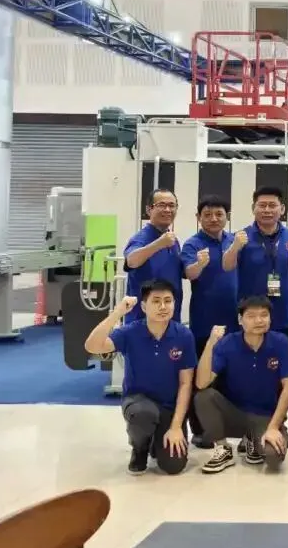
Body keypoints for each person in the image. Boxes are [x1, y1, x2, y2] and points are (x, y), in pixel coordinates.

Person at [84, 279, 194, 476]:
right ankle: (140, 448)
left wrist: (177, 426)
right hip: (139, 402)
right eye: (156, 301)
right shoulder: (131, 332)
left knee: (173, 466)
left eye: (168, 301)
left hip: (169, 407)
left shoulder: (183, 335)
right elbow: (92, 346)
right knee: (143, 415)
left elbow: (185, 383)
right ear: (144, 306)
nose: (163, 307)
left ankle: (156, 442)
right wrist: (117, 313)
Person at [193, 296, 288, 474]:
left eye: (264, 315)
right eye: (251, 316)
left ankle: (253, 439)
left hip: (265, 416)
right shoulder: (227, 343)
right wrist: (210, 343)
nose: (259, 320)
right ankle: (223, 448)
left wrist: (273, 427)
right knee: (203, 397)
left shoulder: (280, 342)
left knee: (273, 458)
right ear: (240, 320)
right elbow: (202, 383)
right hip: (235, 414)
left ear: (270, 318)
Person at [180, 196, 238, 448]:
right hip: (205, 323)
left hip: (234, 323)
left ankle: (227, 427)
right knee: (202, 379)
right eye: (207, 214)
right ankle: (201, 430)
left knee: (229, 378)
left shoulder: (234, 241)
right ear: (198, 217)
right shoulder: (192, 244)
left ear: (227, 217)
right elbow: (189, 273)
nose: (214, 219)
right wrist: (200, 264)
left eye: (219, 214)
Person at [223, 186, 288, 340]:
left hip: (284, 315)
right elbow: (227, 266)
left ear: (282, 209)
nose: (267, 210)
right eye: (262, 205)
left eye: (272, 205)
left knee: (283, 354)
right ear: (253, 208)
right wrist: (235, 246)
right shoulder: (240, 236)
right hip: (252, 317)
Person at [123, 188, 183, 324]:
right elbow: (131, 261)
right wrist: (159, 244)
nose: (167, 210)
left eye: (172, 205)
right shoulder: (141, 238)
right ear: (149, 209)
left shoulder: (173, 240)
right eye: (161, 205)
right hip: (142, 320)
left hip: (170, 318)